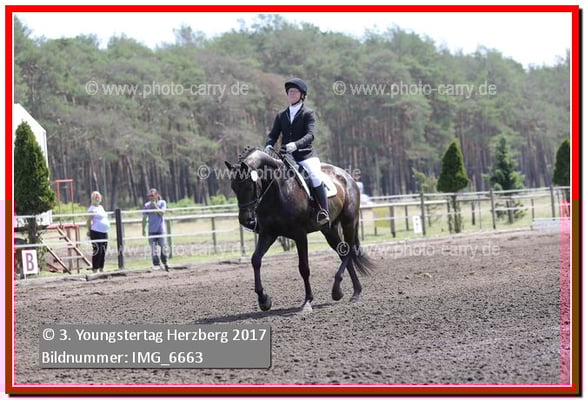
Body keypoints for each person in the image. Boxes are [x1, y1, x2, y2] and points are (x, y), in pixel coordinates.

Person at [264, 77, 330, 226]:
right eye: (289, 92)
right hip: (285, 157)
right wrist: (268, 145)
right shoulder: (281, 115)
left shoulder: (308, 113)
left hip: (305, 155)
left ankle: (323, 210)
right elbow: (273, 135)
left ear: (302, 95)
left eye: (294, 92)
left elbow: (310, 135)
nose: (291, 94)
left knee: (315, 176)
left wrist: (296, 145)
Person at [142, 188, 169, 271]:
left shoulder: (162, 203)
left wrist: (155, 206)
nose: (151, 197)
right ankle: (156, 264)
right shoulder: (146, 205)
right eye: (149, 196)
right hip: (151, 230)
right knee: (153, 249)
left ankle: (165, 263)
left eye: (152, 195)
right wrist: (143, 229)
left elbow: (162, 213)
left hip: (161, 230)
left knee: (164, 246)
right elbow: (144, 218)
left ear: (157, 195)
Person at [86, 191, 109, 273]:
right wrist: (89, 231)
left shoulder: (101, 207)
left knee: (103, 250)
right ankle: (95, 268)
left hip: (104, 232)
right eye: (95, 197)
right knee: (97, 250)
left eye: (98, 197)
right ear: (92, 198)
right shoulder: (91, 209)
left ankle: (101, 267)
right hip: (96, 232)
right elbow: (88, 221)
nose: (97, 198)